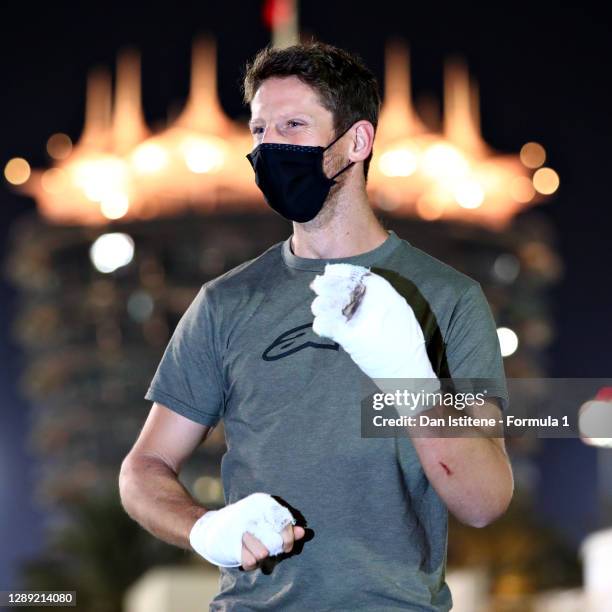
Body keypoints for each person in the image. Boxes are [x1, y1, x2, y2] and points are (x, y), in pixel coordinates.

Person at [119, 41, 514, 611]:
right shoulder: (226, 302)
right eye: (259, 130)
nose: (269, 147)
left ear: (356, 141)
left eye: (294, 125)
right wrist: (203, 529)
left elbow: (484, 501)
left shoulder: (449, 298)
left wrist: (409, 377)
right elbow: (143, 468)